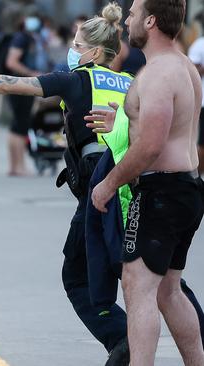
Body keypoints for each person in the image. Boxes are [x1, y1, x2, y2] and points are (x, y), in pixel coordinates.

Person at [0, 3, 136, 364]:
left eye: (76, 45)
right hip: (132, 181)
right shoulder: (131, 83)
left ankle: (122, 340)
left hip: (100, 184)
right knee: (144, 272)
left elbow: (12, 84)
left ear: (92, 52)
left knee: (78, 274)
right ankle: (138, 339)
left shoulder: (76, 79)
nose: (71, 52)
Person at [90, 0, 204, 364]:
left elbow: (151, 145)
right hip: (185, 187)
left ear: (151, 20)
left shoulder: (158, 73)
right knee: (169, 291)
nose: (127, 19)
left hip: (160, 193)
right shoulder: (184, 66)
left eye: (134, 12)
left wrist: (108, 183)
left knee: (138, 288)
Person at [3, 14, 44, 176]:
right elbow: (11, 62)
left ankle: (14, 166)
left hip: (18, 85)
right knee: (21, 125)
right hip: (22, 86)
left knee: (16, 125)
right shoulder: (22, 38)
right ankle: (19, 166)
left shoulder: (23, 37)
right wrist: (31, 73)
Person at [188, 27, 204, 174]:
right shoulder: (199, 44)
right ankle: (198, 177)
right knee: (201, 144)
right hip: (202, 103)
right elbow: (191, 70)